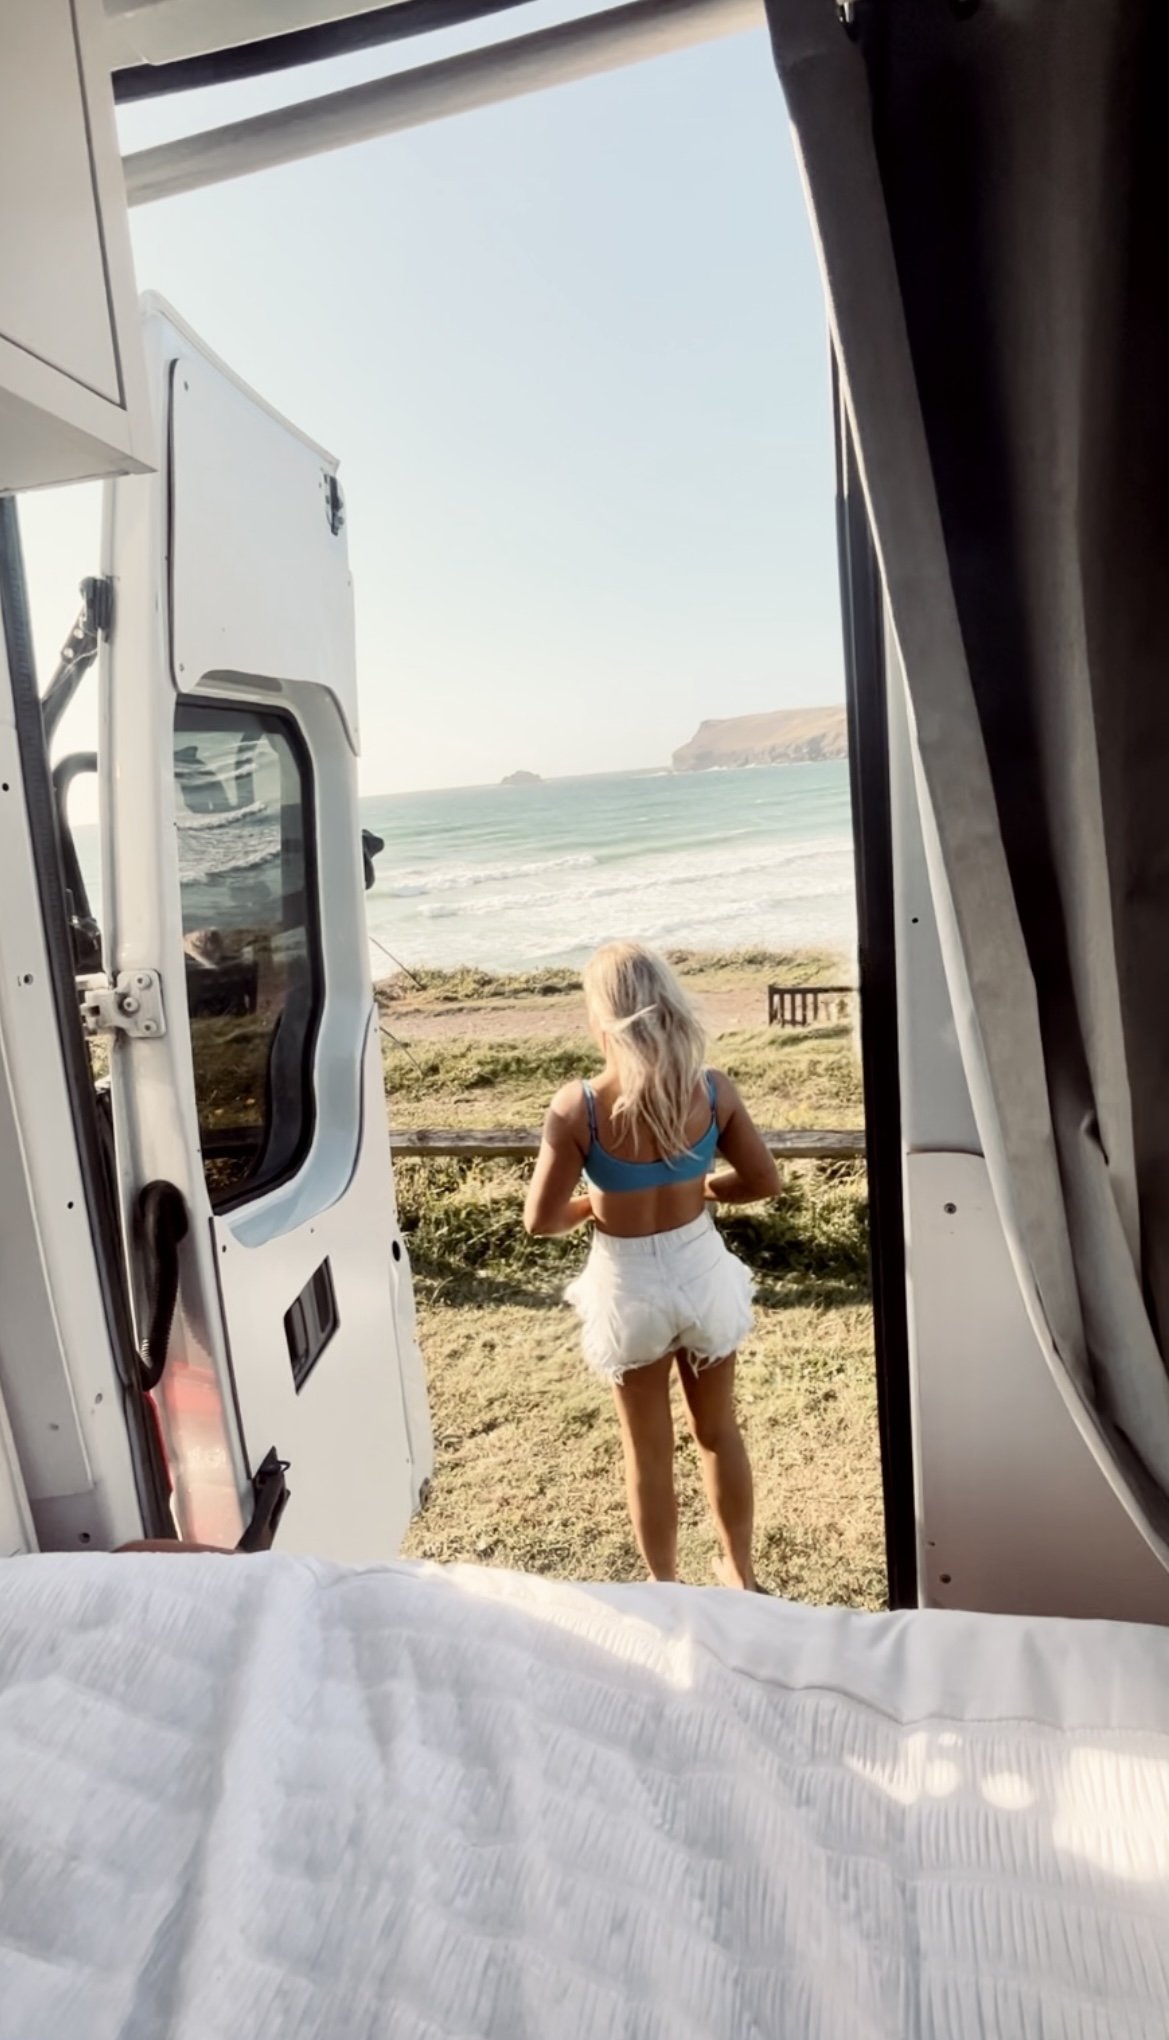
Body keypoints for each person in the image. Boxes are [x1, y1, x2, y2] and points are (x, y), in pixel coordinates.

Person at [524, 942, 781, 1590]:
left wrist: (597, 1202)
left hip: (629, 1284)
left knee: (647, 1451)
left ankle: (666, 1590)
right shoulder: (711, 1090)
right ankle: (741, 1577)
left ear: (601, 1018)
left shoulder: (576, 1107)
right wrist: (700, 1190)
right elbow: (761, 1182)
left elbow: (542, 1221)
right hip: (701, 1271)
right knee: (718, 1433)